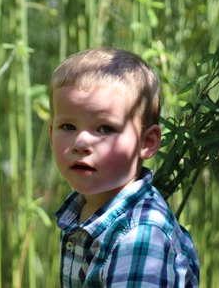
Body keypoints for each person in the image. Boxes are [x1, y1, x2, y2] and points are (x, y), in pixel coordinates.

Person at [49, 48, 200, 287]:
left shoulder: (140, 236)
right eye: (68, 127)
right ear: (50, 134)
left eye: (105, 129)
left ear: (146, 143)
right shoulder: (83, 206)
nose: (80, 143)